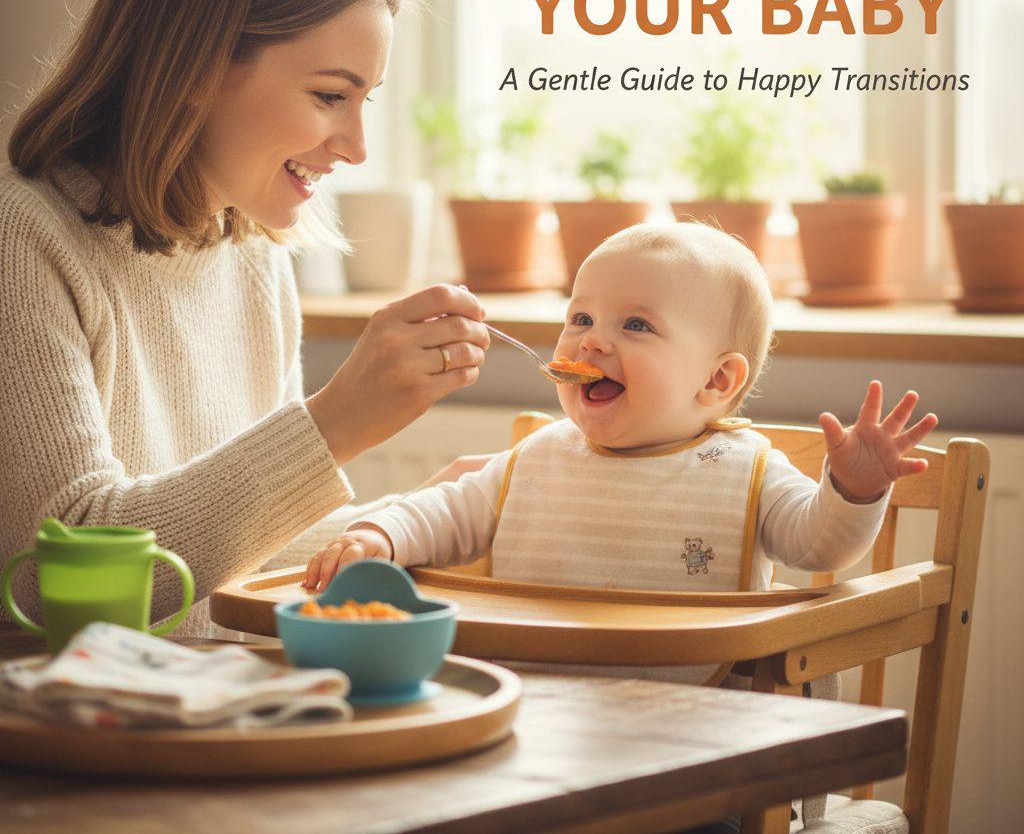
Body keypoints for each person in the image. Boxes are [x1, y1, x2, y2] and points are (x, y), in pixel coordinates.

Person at [0, 0, 490, 638]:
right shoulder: (22, 239)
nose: (357, 147)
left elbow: (235, 550)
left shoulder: (251, 252)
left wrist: (415, 521)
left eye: (367, 100)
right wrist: (333, 424)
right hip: (78, 736)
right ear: (197, 68)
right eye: (331, 95)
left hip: (215, 714)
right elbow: (50, 577)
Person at [303, 222, 939, 684]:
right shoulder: (538, 456)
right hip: (542, 716)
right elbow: (444, 513)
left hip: (704, 737)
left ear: (717, 381)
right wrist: (377, 536)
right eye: (581, 318)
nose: (593, 342)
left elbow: (818, 546)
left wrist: (853, 489)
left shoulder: (747, 469)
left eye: (635, 325)